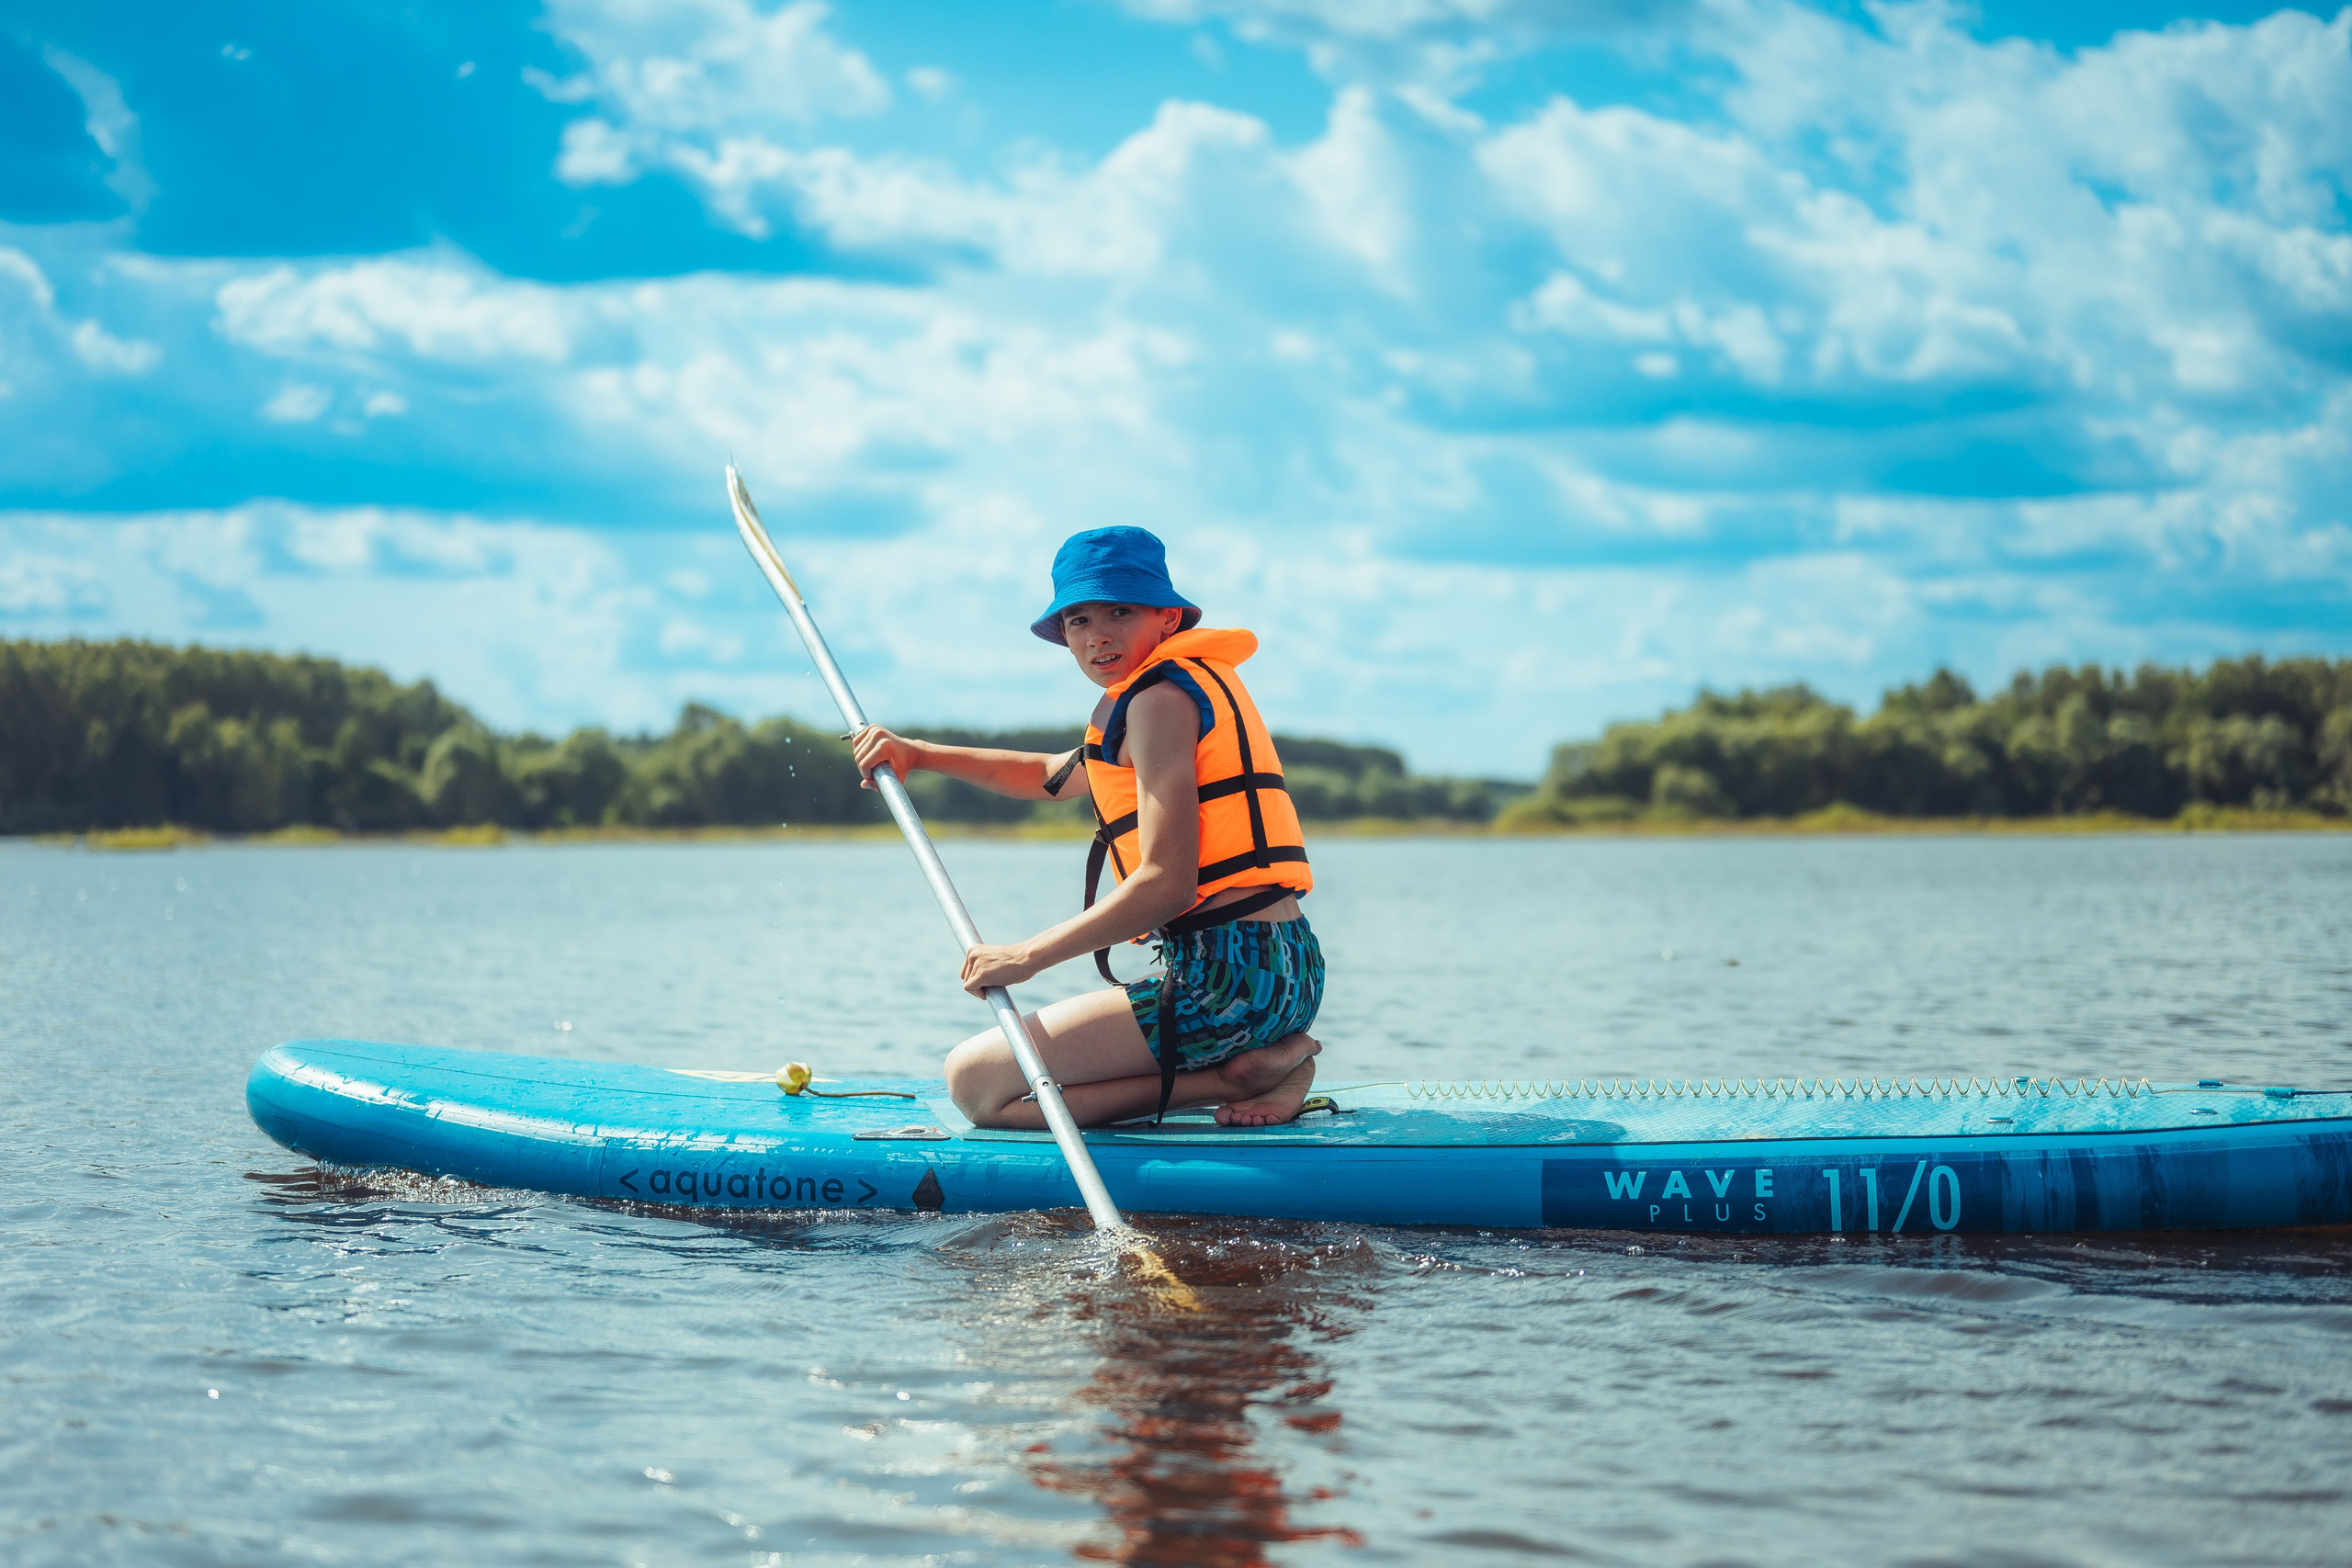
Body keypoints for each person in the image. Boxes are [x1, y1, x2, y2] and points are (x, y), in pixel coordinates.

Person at [849, 525, 1324, 1131]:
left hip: (1228, 980)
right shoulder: (1166, 691)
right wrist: (917, 752)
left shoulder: (1157, 701)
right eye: (1077, 620)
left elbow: (1166, 885)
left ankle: (1238, 1075)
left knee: (976, 1086)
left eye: (1120, 611)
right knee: (1002, 1079)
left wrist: (1025, 955)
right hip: (1289, 970)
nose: (1097, 635)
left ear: (1168, 617)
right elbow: (1050, 774)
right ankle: (1258, 1062)